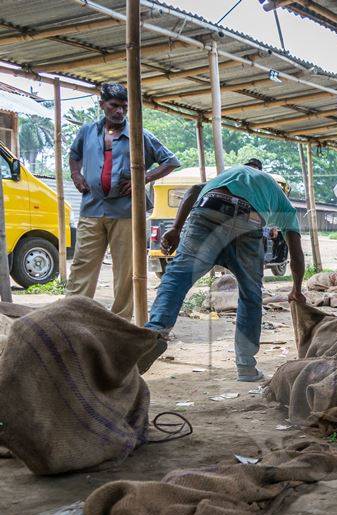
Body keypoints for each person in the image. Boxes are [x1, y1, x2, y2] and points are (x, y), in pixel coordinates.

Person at [140, 160, 306, 381]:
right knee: (250, 295)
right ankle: (246, 367)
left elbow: (192, 191)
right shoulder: (275, 191)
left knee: (176, 277)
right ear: (261, 171)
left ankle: (155, 332)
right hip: (249, 219)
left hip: (209, 209)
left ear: (246, 166)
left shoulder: (227, 174)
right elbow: (295, 251)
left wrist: (176, 229)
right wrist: (296, 288)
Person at [66, 82, 179, 320]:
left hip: (127, 212)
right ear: (102, 105)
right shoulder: (87, 132)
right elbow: (74, 155)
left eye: (124, 107)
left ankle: (119, 321)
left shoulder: (139, 134)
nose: (119, 111)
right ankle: (72, 317)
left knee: (125, 271)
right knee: (81, 267)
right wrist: (76, 175)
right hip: (91, 209)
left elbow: (170, 161)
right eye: (114, 106)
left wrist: (144, 178)